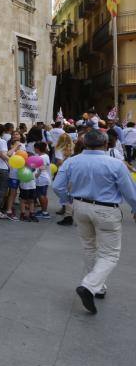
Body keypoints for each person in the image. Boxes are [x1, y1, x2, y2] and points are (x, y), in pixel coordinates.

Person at [53, 129, 136, 314]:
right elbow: (130, 191)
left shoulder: (72, 161)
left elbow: (57, 186)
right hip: (106, 209)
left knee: (89, 247)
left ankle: (98, 286)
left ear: (84, 143)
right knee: (110, 254)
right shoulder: (115, 164)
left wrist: (67, 200)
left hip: (80, 206)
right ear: (106, 144)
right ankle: (90, 286)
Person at [33, 142, 51, 220]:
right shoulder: (45, 156)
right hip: (44, 178)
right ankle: (44, 211)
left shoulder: (41, 157)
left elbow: (37, 168)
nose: (34, 149)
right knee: (43, 195)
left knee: (41, 195)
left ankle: (45, 213)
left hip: (41, 178)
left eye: (34, 148)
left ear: (37, 149)